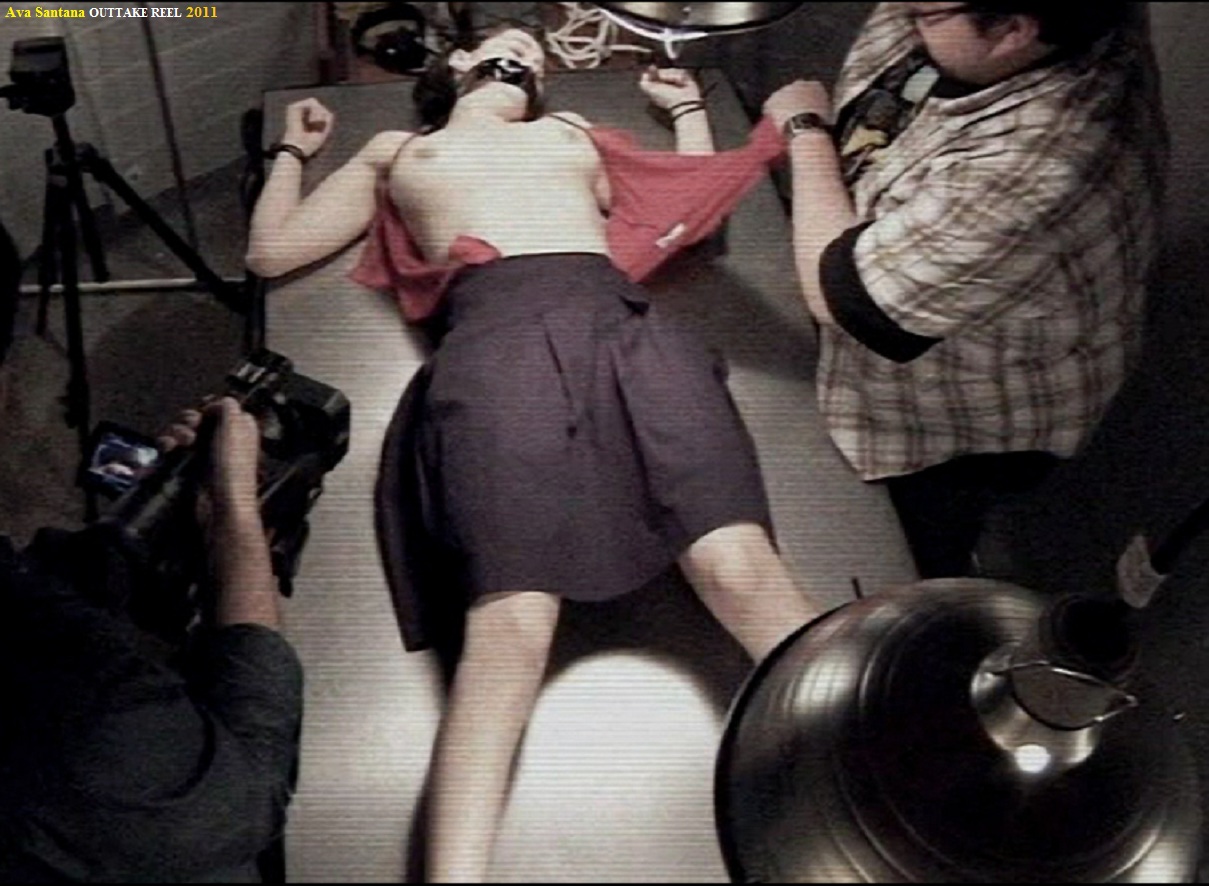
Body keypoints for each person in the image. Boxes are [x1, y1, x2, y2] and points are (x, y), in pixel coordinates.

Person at [247, 26, 822, 883]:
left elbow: (689, 212)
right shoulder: (397, 150)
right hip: (494, 344)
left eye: (539, 57)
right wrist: (291, 152)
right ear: (456, 65)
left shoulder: (569, 134)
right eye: (508, 43)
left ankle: (890, 798)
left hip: (627, 333)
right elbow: (270, 252)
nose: (528, 54)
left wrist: (687, 111)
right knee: (511, 624)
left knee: (742, 569)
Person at [763, 1, 1167, 579]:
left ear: (1012, 30)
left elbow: (844, 296)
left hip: (961, 422)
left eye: (924, 14)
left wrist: (805, 130)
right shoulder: (1018, 28)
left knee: (907, 542)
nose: (901, 9)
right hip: (920, 278)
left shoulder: (1034, 169)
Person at [0, 387, 304, 882]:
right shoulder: (89, 717)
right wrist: (233, 515)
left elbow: (45, 605)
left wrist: (156, 516)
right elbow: (245, 794)